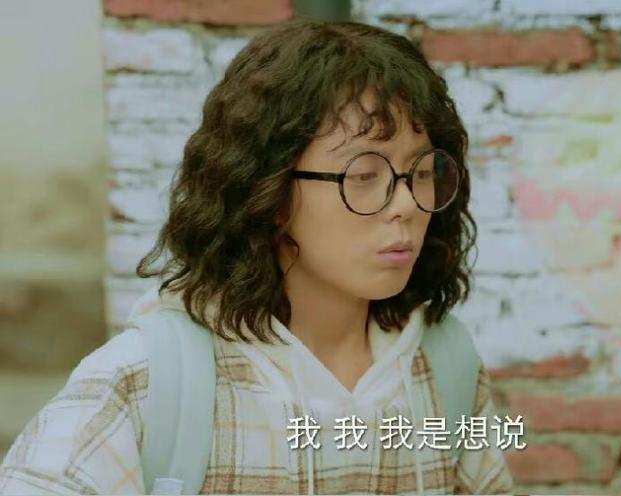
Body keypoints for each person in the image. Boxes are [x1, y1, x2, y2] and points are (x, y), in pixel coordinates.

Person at [0, 18, 514, 495]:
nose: (405, 204)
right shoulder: (148, 382)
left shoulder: (444, 368)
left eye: (421, 173)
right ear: (269, 191)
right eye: (363, 176)